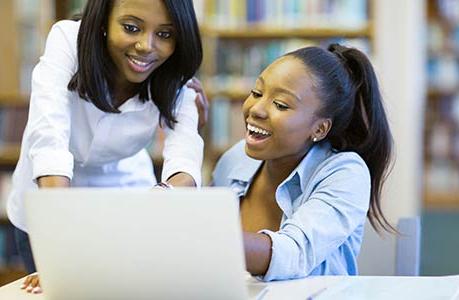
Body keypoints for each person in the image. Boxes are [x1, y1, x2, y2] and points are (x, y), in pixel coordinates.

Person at [9, 0, 208, 293]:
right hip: (49, 201)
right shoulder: (68, 41)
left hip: (122, 207)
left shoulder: (179, 85)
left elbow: (185, 168)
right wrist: (58, 247)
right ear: (103, 21)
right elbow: (49, 137)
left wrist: (156, 204)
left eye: (165, 34)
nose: (146, 46)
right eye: (131, 28)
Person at [212, 43, 394, 281]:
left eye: (280, 105)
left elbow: (293, 253)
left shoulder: (346, 173)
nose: (256, 109)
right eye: (257, 93)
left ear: (320, 128)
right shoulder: (235, 159)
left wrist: (205, 241)